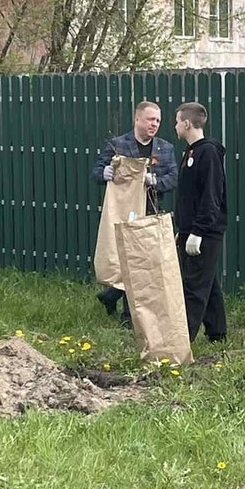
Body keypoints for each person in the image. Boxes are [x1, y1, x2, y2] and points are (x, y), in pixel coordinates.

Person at [91, 101, 178, 325]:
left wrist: (155, 181)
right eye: (150, 119)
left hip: (151, 211)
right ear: (137, 119)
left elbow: (174, 178)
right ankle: (127, 315)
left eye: (158, 120)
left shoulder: (165, 148)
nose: (155, 124)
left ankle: (113, 299)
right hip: (124, 212)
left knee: (145, 264)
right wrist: (105, 173)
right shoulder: (117, 145)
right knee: (130, 262)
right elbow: (96, 171)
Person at [174, 101, 227, 343]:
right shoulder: (191, 152)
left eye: (177, 122)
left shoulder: (208, 152)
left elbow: (211, 195)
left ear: (186, 123)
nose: (175, 126)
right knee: (208, 282)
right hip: (190, 228)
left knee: (194, 286)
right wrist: (183, 230)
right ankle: (217, 332)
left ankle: (181, 340)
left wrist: (198, 231)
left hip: (204, 231)